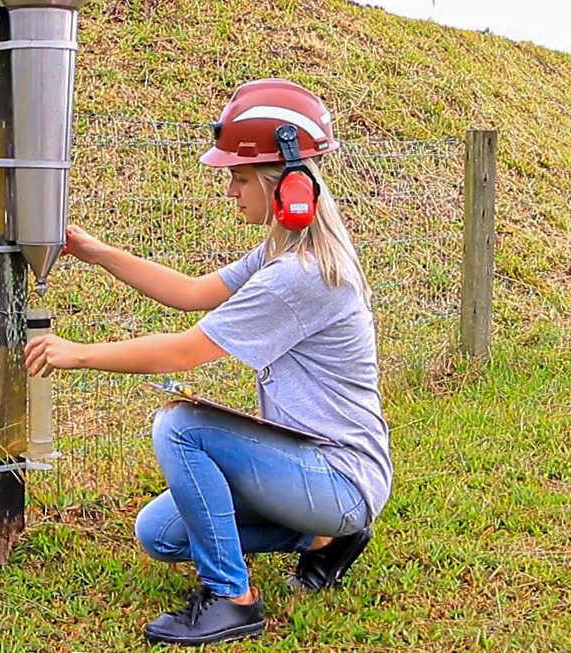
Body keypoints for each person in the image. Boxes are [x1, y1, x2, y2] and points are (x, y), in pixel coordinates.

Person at [24, 78, 393, 647]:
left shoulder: (302, 276)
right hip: (307, 469)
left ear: (285, 184)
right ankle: (323, 540)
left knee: (181, 426)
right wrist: (97, 252)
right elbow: (194, 292)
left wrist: (79, 355)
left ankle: (231, 597)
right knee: (160, 534)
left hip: (339, 476)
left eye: (238, 177)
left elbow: (186, 350)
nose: (230, 191)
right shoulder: (283, 249)